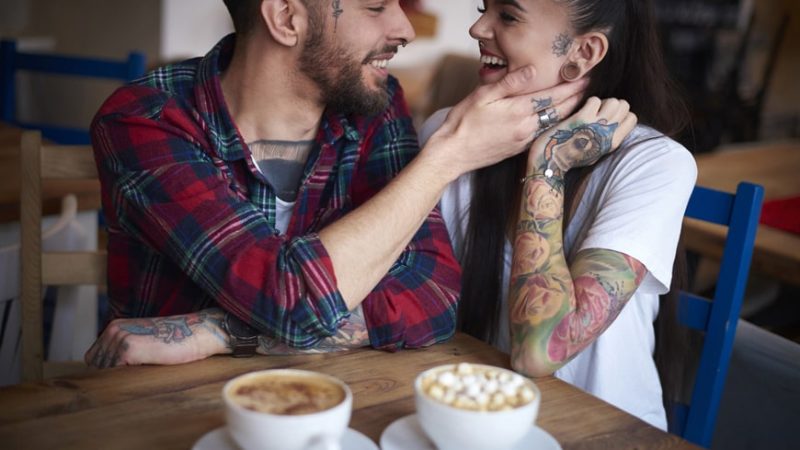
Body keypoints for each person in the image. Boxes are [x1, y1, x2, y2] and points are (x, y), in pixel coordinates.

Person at [84, 0, 589, 367]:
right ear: (286, 17)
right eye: (375, 6)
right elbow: (290, 301)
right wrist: (446, 156)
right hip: (167, 416)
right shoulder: (146, 120)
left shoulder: (373, 104)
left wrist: (217, 330)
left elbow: (432, 296)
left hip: (330, 405)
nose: (404, 27)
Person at [419, 0, 696, 430]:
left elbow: (538, 350)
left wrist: (548, 163)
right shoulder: (449, 134)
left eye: (507, 16)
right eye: (482, 8)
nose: (477, 28)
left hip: (602, 434)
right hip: (473, 419)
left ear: (583, 53)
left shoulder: (656, 164)